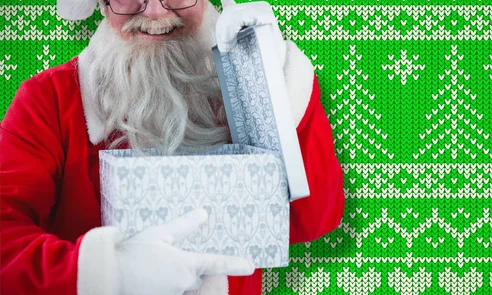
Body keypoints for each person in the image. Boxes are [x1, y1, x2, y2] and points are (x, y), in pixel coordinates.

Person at [0, 0, 346, 294]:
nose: (153, 13)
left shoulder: (242, 84)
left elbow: (311, 220)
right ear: (101, 4)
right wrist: (106, 271)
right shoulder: (49, 100)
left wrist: (274, 80)